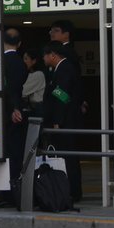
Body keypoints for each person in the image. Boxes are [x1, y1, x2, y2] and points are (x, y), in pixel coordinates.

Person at [0, 28, 26, 207]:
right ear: (19, 44)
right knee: (14, 154)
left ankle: (6, 192)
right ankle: (13, 192)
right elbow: (15, 88)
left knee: (5, 154)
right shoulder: (19, 62)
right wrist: (16, 107)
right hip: (13, 114)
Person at [43, 41, 84, 202]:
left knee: (68, 156)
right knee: (67, 156)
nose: (44, 59)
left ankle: (73, 191)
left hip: (66, 121)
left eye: (45, 56)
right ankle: (71, 190)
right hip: (67, 119)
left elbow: (63, 96)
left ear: (53, 55)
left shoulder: (64, 69)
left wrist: (58, 120)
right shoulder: (63, 68)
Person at [21, 49, 46, 118]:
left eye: (26, 59)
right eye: (23, 59)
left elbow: (23, 91)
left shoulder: (38, 75)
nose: (24, 61)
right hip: (32, 108)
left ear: (34, 61)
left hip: (37, 108)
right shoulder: (29, 74)